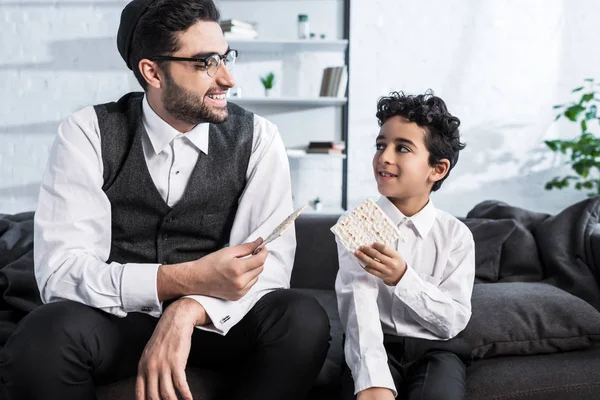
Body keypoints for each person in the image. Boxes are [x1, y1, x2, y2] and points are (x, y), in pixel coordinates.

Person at [0, 1, 330, 399]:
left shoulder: (259, 138)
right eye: (206, 63)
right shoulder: (87, 132)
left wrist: (187, 308)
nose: (228, 78)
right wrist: (181, 279)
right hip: (117, 321)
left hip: (216, 323)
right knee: (44, 333)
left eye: (226, 57)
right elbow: (61, 274)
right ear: (153, 72)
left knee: (302, 318)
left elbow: (269, 268)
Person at [336, 91, 475, 400]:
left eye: (402, 148)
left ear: (437, 169)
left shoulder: (457, 235)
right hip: (375, 344)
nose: (384, 157)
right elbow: (359, 310)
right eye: (381, 145)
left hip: (437, 350)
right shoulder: (358, 224)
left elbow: (452, 321)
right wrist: (372, 383)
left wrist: (402, 278)